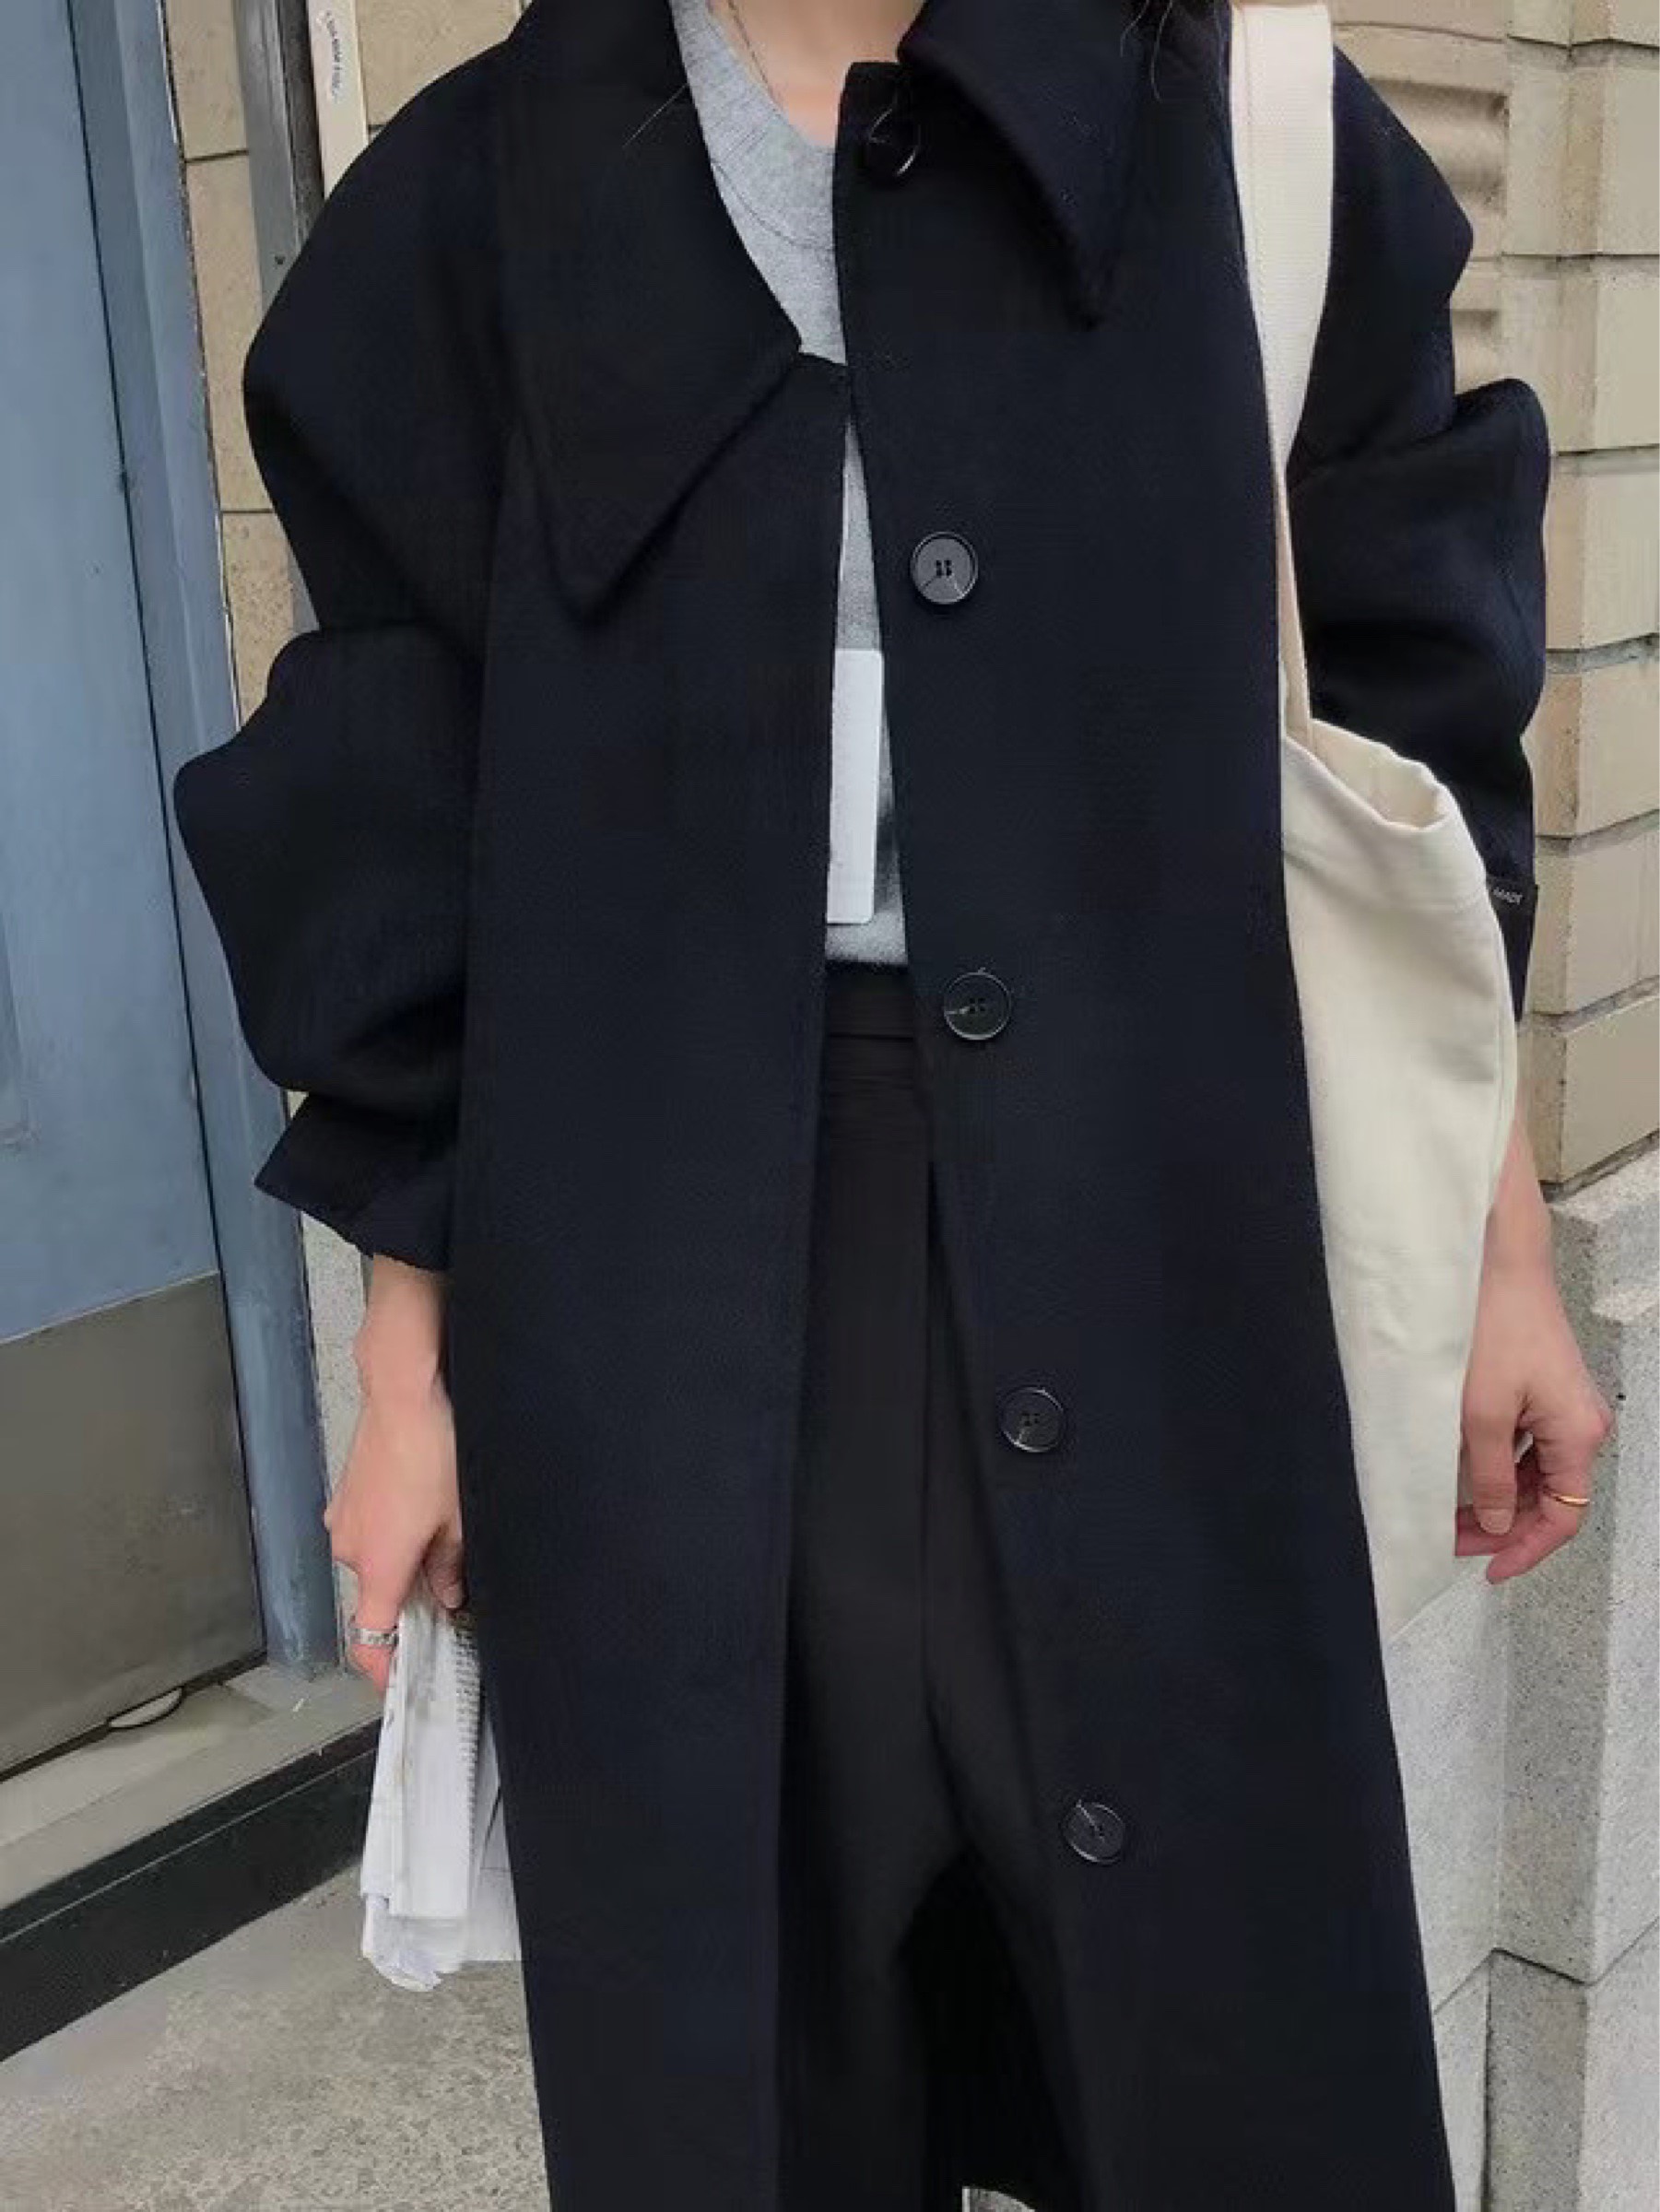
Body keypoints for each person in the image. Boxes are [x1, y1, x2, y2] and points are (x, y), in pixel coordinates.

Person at [172, 1, 1613, 2206]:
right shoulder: (478, 195)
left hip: (1172, 1245)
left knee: (1237, 2077)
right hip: (644, 1297)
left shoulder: (1244, 124)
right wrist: (406, 1366)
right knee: (740, 2086)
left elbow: (1412, 748)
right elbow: (397, 796)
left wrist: (1502, 1251)